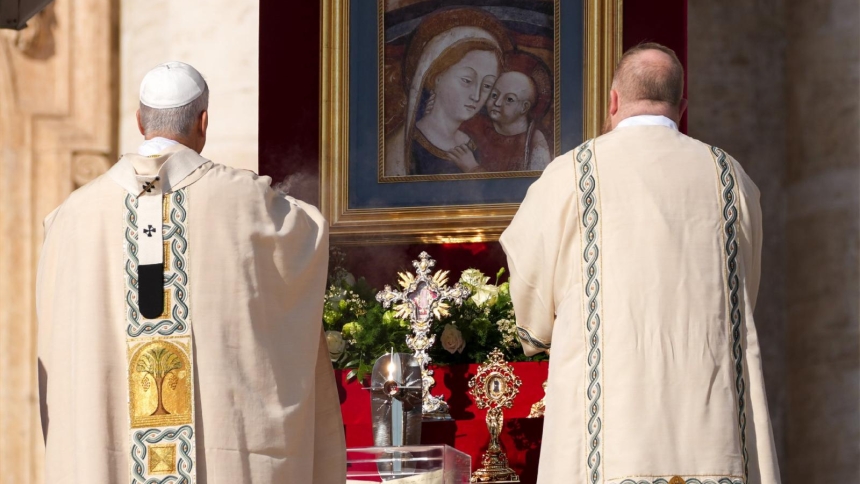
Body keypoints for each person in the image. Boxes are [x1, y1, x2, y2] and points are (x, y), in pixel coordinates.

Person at [36, 61, 345, 483]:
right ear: (203, 122)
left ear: (140, 121)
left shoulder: (71, 216)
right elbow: (309, 231)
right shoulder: (245, 200)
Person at [500, 43, 781, 484]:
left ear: (613, 100)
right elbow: (745, 289)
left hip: (611, 429)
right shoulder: (730, 177)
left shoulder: (571, 173)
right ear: (681, 108)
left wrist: (537, 333)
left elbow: (529, 272)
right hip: (710, 423)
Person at [383, 8, 511, 176]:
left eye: (487, 86)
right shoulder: (404, 149)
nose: (476, 96)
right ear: (436, 77)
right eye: (467, 80)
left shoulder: (470, 144)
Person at [462, 51, 553, 172]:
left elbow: (541, 180)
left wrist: (473, 168)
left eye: (509, 99)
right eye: (494, 95)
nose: (497, 103)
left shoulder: (533, 139)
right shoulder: (476, 124)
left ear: (524, 107)